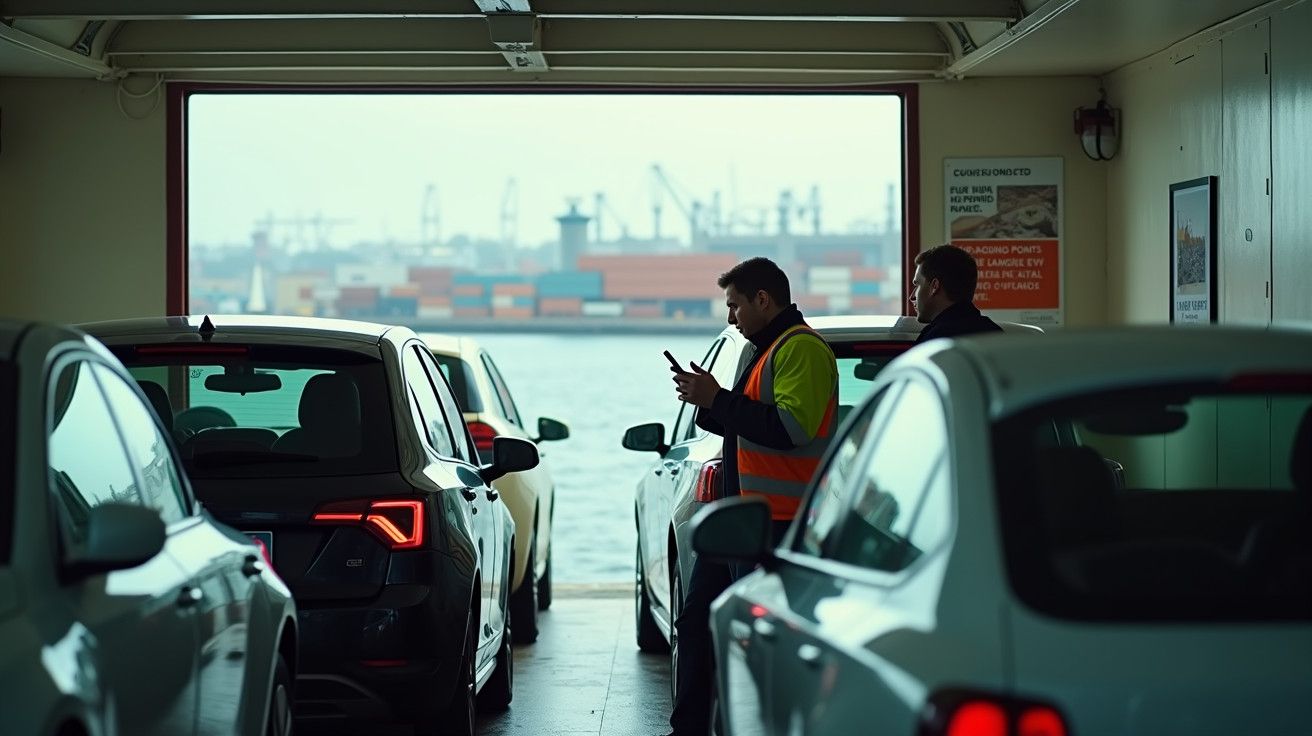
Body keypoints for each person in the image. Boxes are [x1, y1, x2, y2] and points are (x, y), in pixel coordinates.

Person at [665, 256, 838, 736]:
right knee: (697, 623)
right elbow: (741, 423)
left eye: (735, 306)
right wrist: (707, 398)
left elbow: (790, 429)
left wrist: (718, 398)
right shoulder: (763, 349)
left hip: (777, 526)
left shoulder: (800, 349)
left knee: (753, 644)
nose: (730, 318)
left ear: (763, 299)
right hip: (740, 524)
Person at [909, 244, 1003, 342]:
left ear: (935, 286)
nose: (912, 297)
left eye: (917, 285)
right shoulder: (995, 332)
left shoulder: (935, 341)